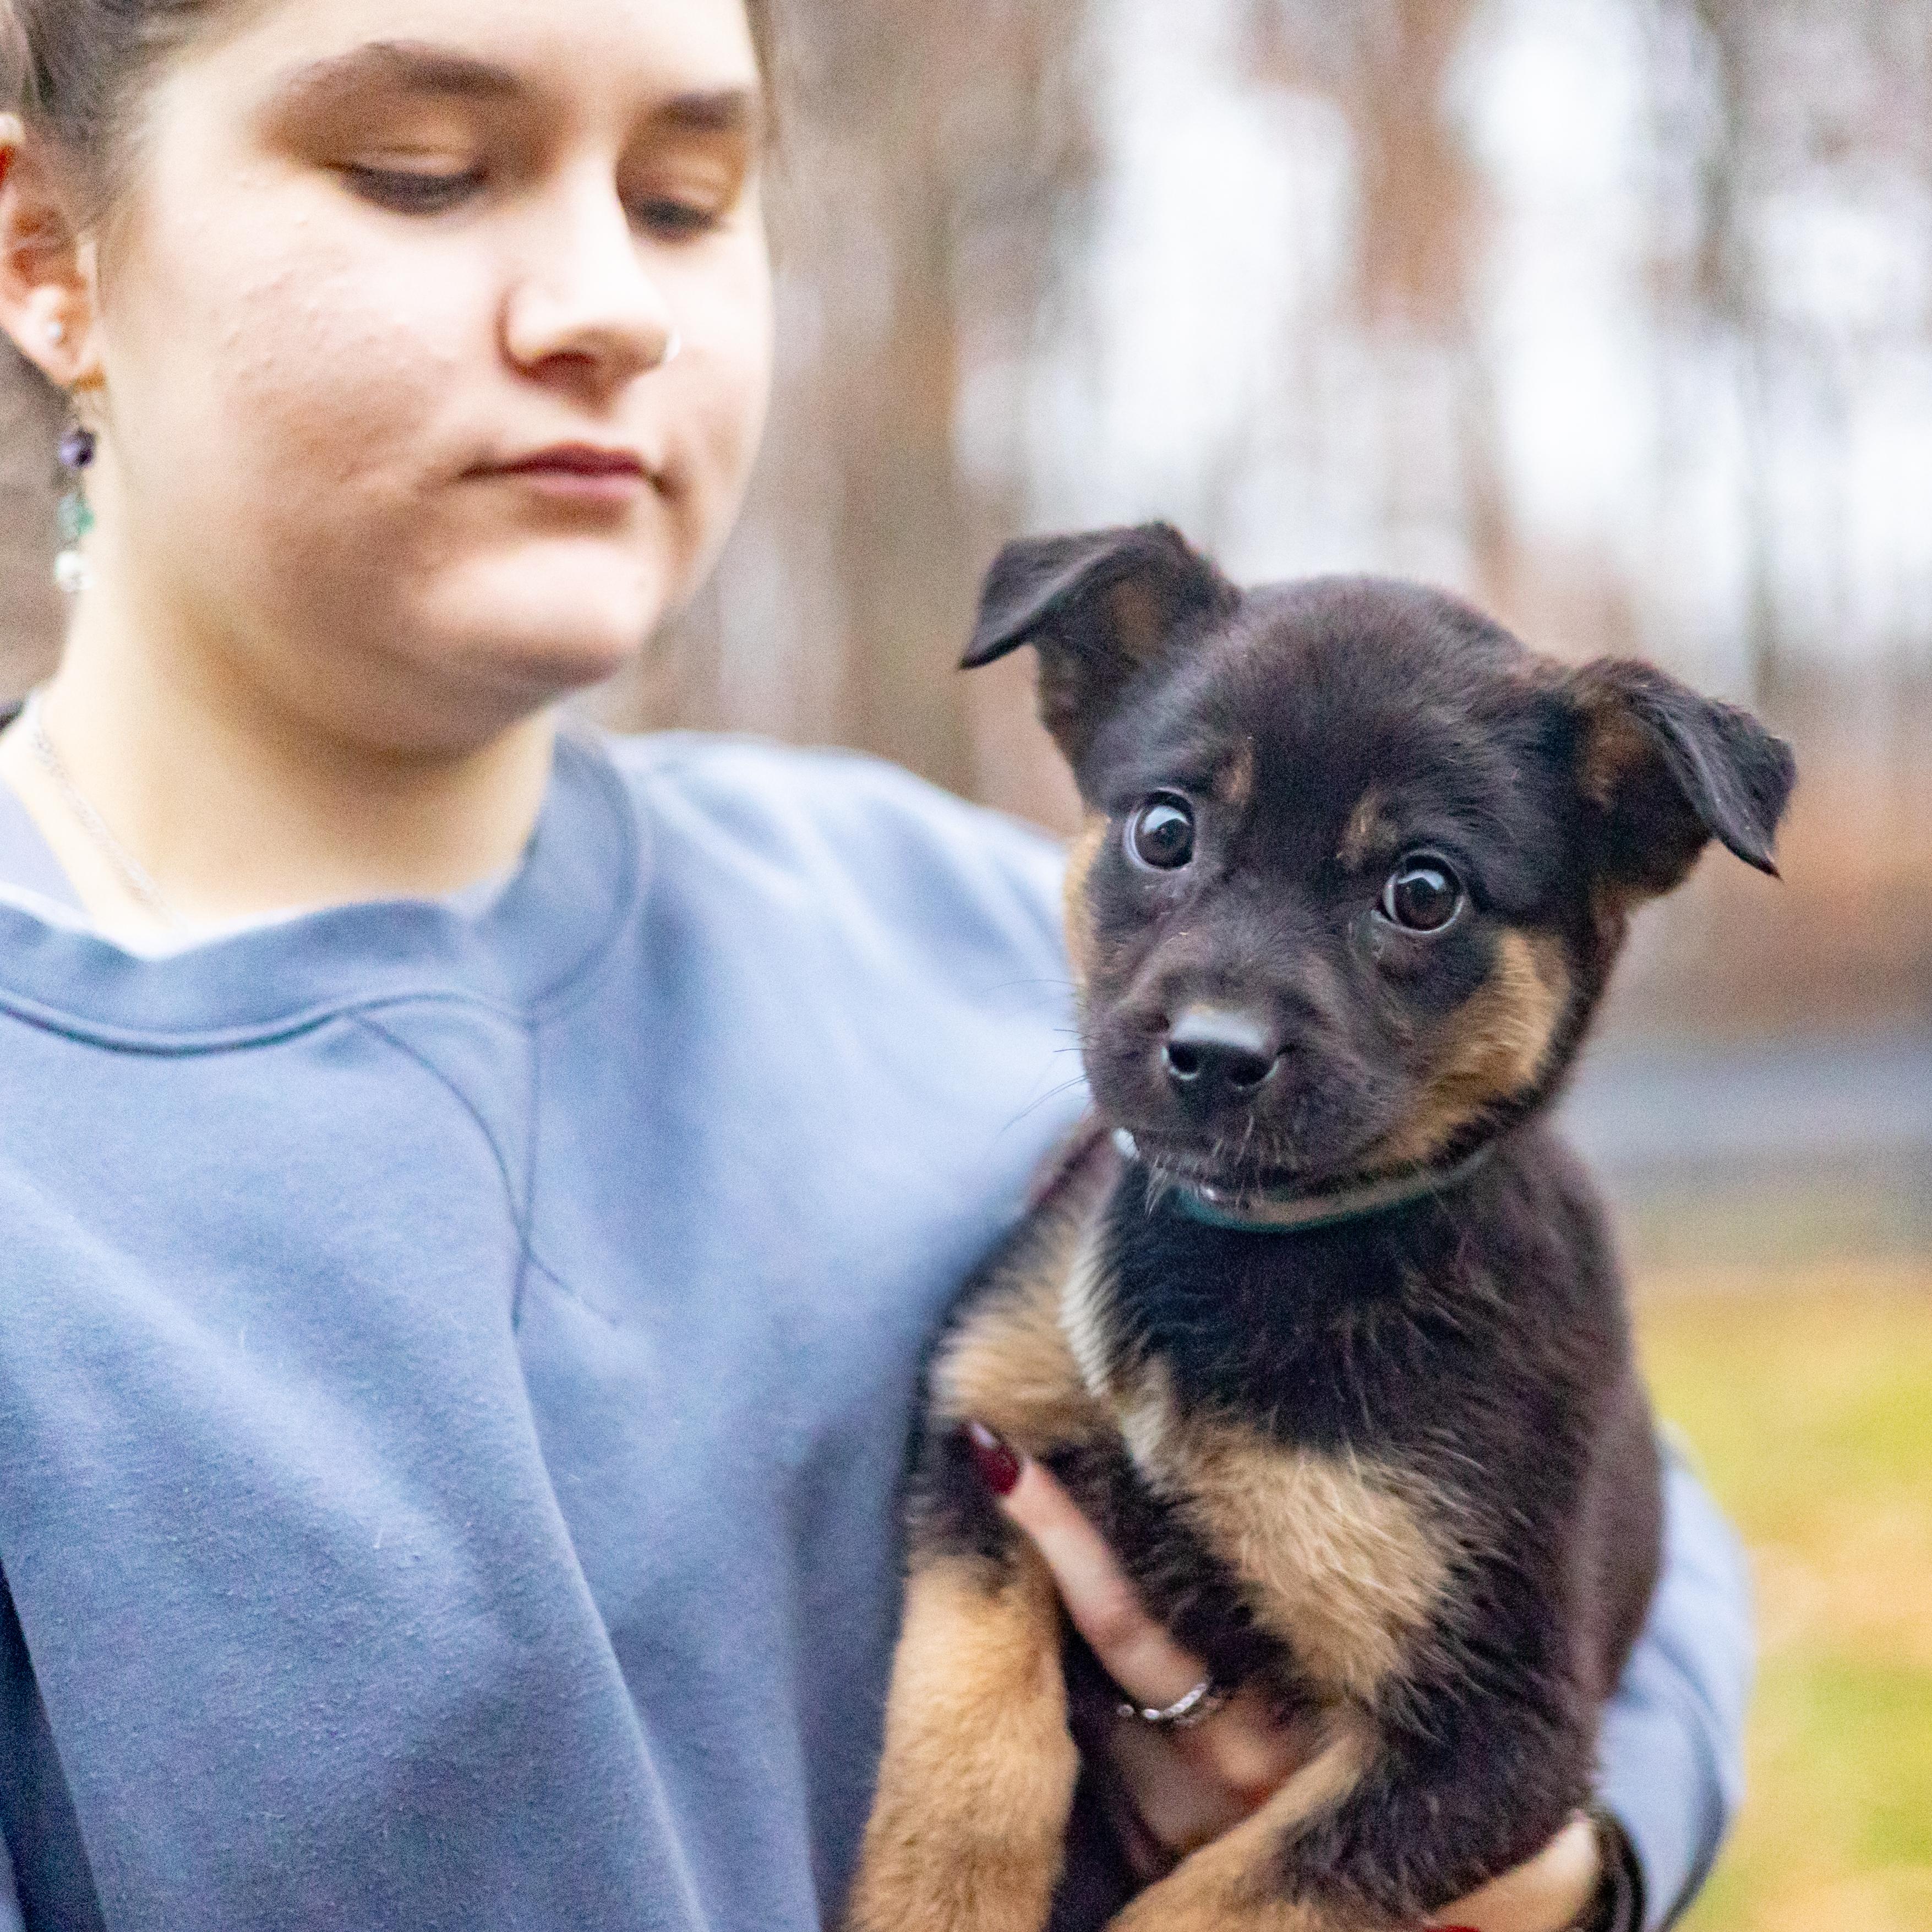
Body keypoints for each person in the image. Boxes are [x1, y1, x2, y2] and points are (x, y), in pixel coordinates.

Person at [0, 2, 1748, 1928]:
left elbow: (1628, 1531)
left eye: (682, 196)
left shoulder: (936, 909)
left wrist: (1565, 1880)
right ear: (47, 254)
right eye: (426, 171)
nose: (607, 304)